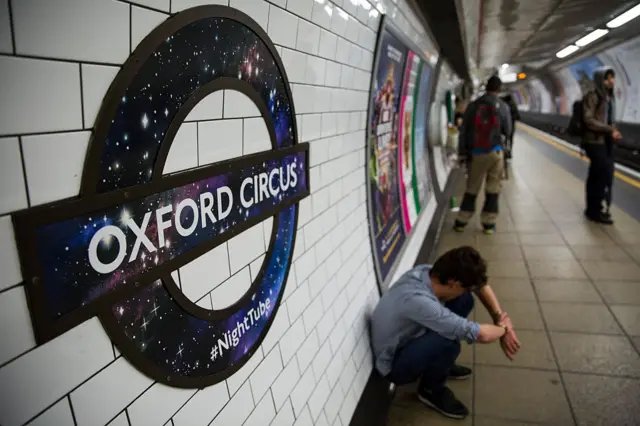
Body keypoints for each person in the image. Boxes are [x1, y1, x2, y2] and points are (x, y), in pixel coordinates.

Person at [370, 247, 521, 420]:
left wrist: (497, 316)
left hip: (411, 335)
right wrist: (505, 328)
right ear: (453, 283)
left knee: (464, 300)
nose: (468, 289)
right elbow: (480, 334)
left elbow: (480, 286)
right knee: (448, 338)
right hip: (394, 363)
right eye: (465, 287)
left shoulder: (428, 272)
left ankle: (440, 365)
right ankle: (431, 390)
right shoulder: (421, 301)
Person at [454, 76, 512, 234]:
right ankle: (489, 224)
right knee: (493, 188)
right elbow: (508, 130)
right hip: (496, 152)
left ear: (486, 87)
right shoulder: (503, 106)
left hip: (477, 153)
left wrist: (462, 153)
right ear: (498, 89)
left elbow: (464, 132)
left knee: (472, 187)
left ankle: (461, 221)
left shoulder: (473, 105)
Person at [582, 67, 622, 224]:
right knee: (600, 175)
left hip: (604, 140)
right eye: (608, 78)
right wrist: (609, 129)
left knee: (597, 175)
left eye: (612, 77)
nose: (611, 81)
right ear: (601, 80)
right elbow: (588, 119)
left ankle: (592, 209)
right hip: (593, 141)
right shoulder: (593, 96)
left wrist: (613, 131)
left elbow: (609, 119)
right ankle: (595, 211)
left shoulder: (609, 97)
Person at [501, 94, 521, 158]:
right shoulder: (513, 105)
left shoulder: (503, 106)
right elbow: (518, 117)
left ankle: (505, 152)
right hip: (512, 125)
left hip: (504, 126)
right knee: (511, 139)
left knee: (505, 139)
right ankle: (510, 152)